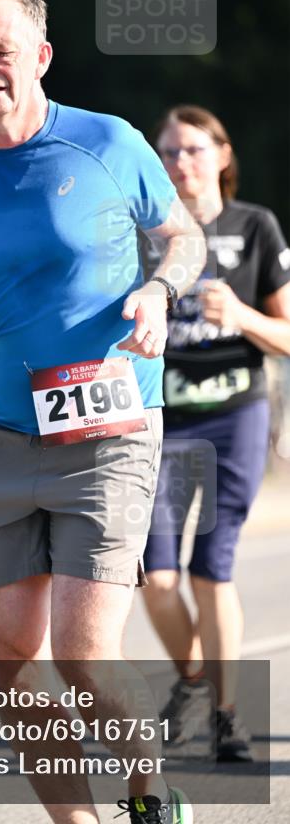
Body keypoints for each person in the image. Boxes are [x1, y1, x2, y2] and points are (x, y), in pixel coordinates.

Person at [0, 0, 206, 824]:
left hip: (106, 428)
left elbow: (180, 235)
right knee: (12, 661)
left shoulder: (106, 144)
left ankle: (145, 786)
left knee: (84, 657)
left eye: (1, 52)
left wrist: (160, 292)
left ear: (41, 57)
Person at [141, 105, 290, 762]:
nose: (180, 163)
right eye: (168, 152)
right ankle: (193, 681)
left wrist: (241, 315)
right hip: (160, 420)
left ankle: (227, 716)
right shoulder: (141, 235)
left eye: (193, 150)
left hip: (235, 414)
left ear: (222, 156)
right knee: (157, 575)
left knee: (211, 566)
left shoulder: (253, 227)